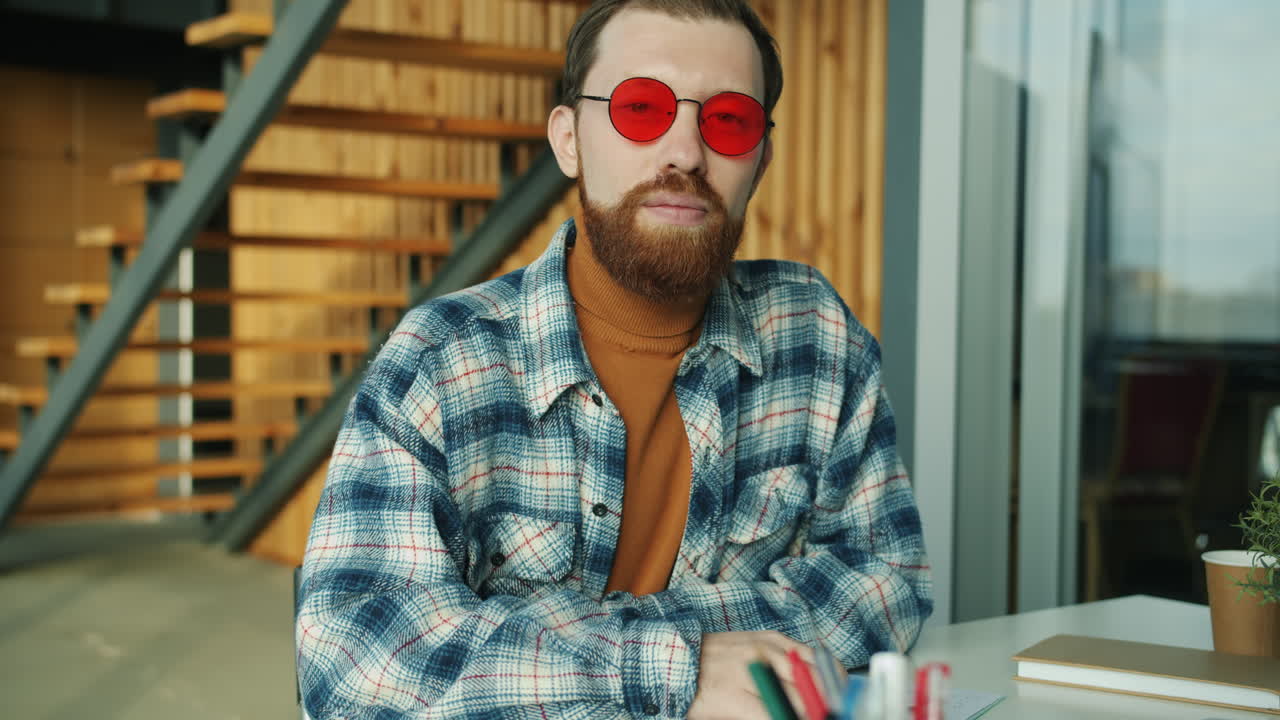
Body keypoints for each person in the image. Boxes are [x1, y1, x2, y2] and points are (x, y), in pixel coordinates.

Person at [296, 1, 932, 718]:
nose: (686, 153)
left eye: (729, 120)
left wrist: (565, 647)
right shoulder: (438, 363)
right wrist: (679, 668)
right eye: (640, 109)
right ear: (569, 141)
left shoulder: (815, 333)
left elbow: (888, 582)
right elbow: (353, 663)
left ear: (761, 160)